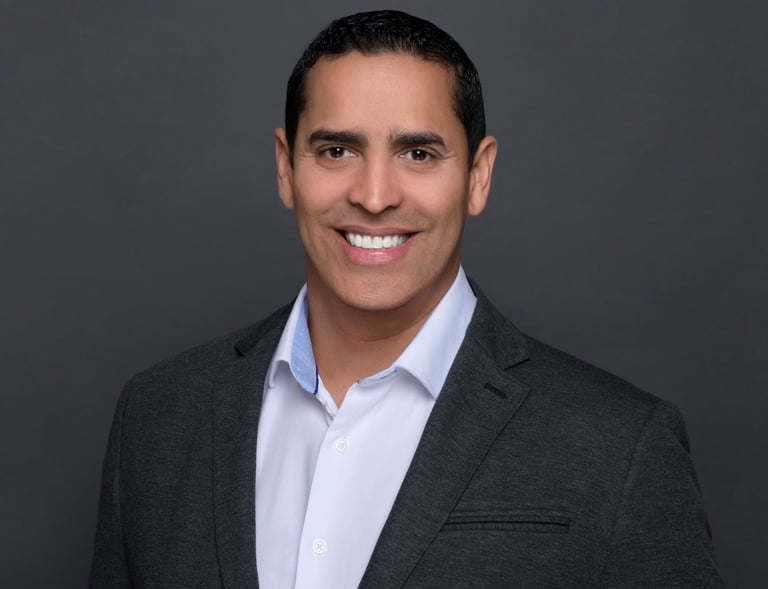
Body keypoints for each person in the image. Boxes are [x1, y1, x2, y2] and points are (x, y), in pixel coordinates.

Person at [90, 10, 723, 588]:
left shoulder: (621, 446)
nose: (374, 196)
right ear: (286, 168)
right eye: (337, 150)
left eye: (418, 153)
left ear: (477, 176)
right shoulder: (157, 417)